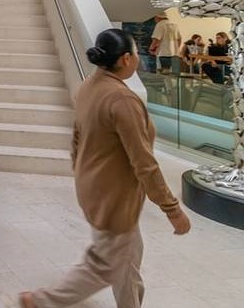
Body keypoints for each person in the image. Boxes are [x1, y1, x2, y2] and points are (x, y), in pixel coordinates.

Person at [19, 29, 191, 308]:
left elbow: (77, 136)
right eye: (135, 52)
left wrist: (83, 171)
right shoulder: (121, 99)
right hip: (113, 198)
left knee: (128, 256)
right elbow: (144, 162)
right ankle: (39, 301)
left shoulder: (89, 86)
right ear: (125, 59)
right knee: (104, 264)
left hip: (96, 189)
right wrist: (172, 209)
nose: (137, 58)